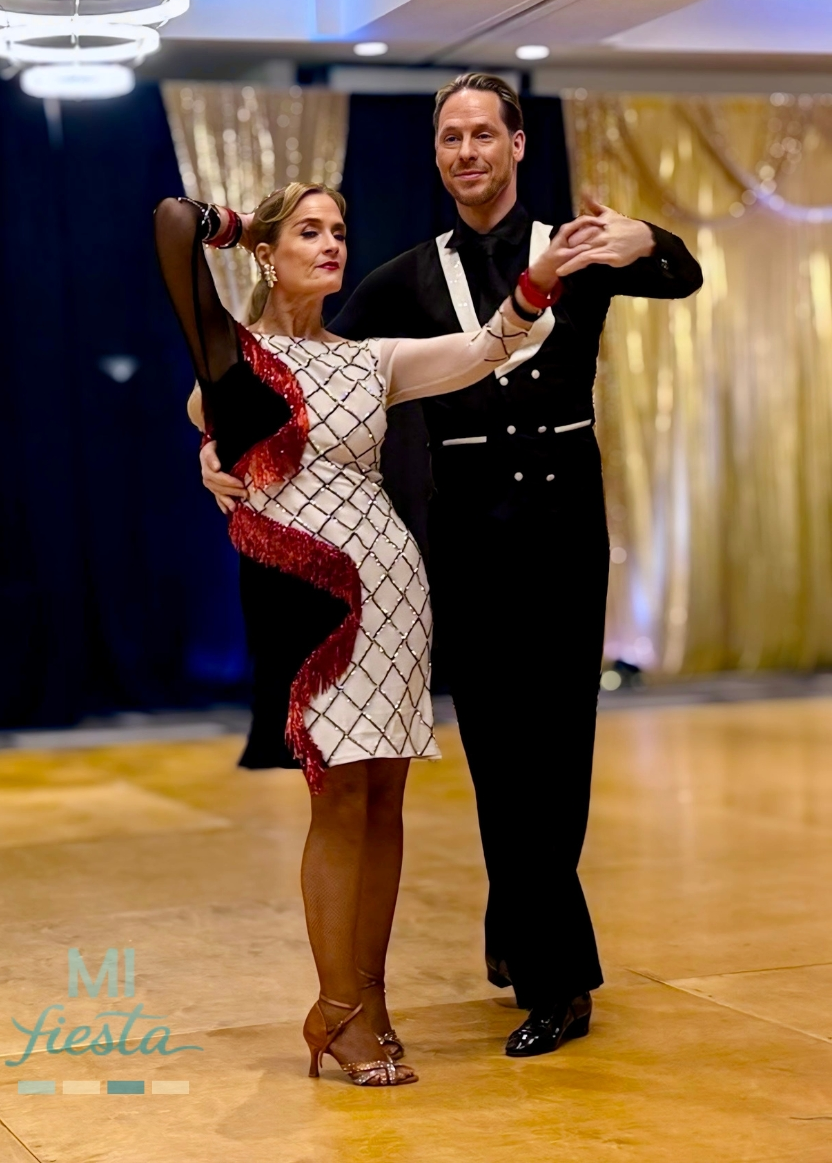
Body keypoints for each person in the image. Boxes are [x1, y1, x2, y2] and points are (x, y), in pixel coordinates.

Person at [199, 75, 703, 1060]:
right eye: (448, 138)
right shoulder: (400, 277)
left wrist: (641, 235)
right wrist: (215, 448)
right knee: (500, 760)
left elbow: (682, 276)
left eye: (482, 134)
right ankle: (547, 962)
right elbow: (294, 372)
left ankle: (532, 939)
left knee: (559, 758)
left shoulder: (574, 249)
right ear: (436, 156)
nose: (466, 151)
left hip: (563, 529)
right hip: (465, 537)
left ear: (518, 144)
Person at [155, 180, 590, 1085]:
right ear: (268, 252)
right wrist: (240, 227)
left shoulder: (371, 358)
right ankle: (337, 1008)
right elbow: (171, 226)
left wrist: (540, 278)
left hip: (398, 589)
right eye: (308, 232)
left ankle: (370, 1003)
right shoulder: (235, 353)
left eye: (340, 231)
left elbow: (489, 346)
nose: (332, 244)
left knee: (386, 800)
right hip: (317, 602)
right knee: (339, 799)